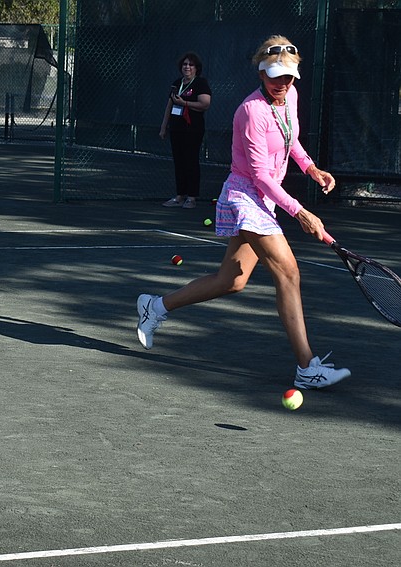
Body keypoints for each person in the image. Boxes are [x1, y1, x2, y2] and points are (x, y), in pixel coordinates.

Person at [137, 35, 351, 390]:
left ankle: (154, 307)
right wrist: (301, 212)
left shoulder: (290, 97)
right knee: (288, 272)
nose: (282, 83)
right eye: (274, 76)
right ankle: (306, 366)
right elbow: (262, 177)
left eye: (288, 76)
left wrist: (311, 168)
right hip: (245, 196)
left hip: (265, 199)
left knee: (231, 281)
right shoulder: (250, 112)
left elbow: (291, 139)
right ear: (261, 72)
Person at [159, 52, 212, 209]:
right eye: (184, 64)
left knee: (191, 161)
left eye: (190, 65)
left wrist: (185, 103)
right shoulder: (177, 83)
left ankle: (192, 197)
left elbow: (205, 104)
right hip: (177, 128)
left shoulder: (200, 83)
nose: (187, 67)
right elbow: (170, 105)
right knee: (179, 162)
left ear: (196, 68)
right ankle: (179, 196)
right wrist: (164, 127)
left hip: (193, 129)